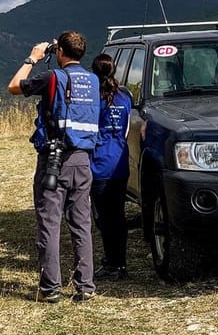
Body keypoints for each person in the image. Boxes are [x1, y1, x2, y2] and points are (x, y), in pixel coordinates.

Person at [8, 31, 99, 303]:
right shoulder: (93, 80)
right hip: (83, 159)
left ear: (59, 52)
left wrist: (33, 58)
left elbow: (14, 87)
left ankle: (50, 288)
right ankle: (85, 286)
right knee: (81, 223)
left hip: (54, 160)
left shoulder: (53, 77)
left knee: (50, 223)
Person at [89, 53, 131, 281]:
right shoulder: (125, 98)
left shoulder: (93, 100)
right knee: (118, 215)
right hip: (120, 162)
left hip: (99, 164)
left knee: (103, 217)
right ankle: (120, 262)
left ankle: (112, 262)